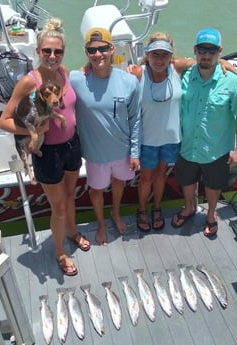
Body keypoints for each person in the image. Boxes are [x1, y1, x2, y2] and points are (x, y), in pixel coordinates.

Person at [0, 17, 90, 276]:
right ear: (38, 52)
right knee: (58, 207)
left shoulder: (63, 72)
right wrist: (33, 130)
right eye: (47, 51)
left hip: (72, 146)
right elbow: (4, 120)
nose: (52, 56)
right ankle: (60, 252)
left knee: (71, 197)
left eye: (58, 51)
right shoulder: (30, 81)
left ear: (63, 53)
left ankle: (72, 231)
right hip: (47, 153)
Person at [171, 27, 237, 237]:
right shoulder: (184, 74)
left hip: (216, 149)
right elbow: (161, 60)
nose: (206, 55)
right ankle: (189, 208)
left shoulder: (233, 82)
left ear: (220, 51)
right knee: (187, 180)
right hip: (187, 145)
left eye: (211, 51)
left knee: (214, 185)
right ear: (195, 51)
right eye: (202, 50)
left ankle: (211, 214)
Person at [70, 27, 141, 245]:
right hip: (95, 155)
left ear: (112, 49)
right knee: (96, 191)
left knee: (119, 183)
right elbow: (48, 76)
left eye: (103, 48)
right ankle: (101, 223)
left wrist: (135, 152)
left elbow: (136, 119)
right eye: (92, 50)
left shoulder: (130, 82)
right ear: (86, 52)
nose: (98, 54)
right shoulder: (75, 79)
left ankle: (116, 213)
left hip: (122, 151)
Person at [128, 32, 195, 232]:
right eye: (154, 54)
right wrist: (86, 68)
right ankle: (141, 209)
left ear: (171, 56)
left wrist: (224, 64)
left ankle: (156, 208)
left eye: (164, 54)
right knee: (146, 177)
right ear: (147, 54)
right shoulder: (138, 73)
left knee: (161, 176)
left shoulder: (177, 67)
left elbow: (205, 62)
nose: (159, 59)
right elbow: (110, 77)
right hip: (147, 139)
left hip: (171, 138)